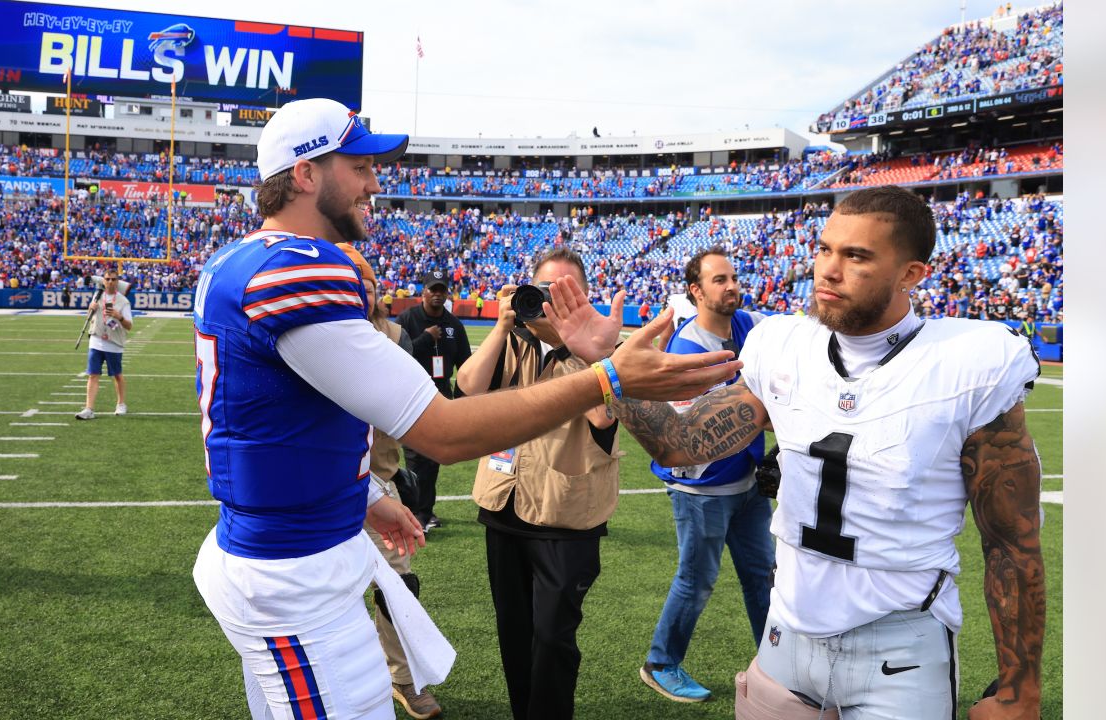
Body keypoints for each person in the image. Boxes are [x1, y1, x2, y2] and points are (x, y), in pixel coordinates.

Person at [190, 96, 739, 720]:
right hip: (292, 574)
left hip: (289, 547)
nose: (375, 181)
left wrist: (366, 497)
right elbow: (444, 432)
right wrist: (607, 376)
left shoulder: (237, 261)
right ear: (305, 174)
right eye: (358, 165)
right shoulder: (297, 272)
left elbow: (279, 416)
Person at [546, 185, 1045, 720]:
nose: (828, 270)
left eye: (856, 256)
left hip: (901, 645)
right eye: (825, 248)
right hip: (786, 639)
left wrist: (1020, 689)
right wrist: (608, 366)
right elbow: (680, 443)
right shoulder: (784, 345)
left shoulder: (969, 360)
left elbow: (1012, 542)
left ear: (911, 275)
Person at [455, 248, 618, 720]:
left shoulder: (605, 351)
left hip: (566, 515)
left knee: (552, 637)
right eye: (545, 290)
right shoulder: (514, 342)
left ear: (585, 297)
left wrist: (578, 348)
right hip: (503, 507)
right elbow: (468, 387)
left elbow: (602, 414)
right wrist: (504, 325)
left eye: (566, 292)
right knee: (514, 631)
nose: (552, 302)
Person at [639, 248, 774, 704]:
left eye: (733, 277)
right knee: (696, 581)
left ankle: (777, 666)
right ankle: (660, 663)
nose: (732, 285)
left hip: (746, 482)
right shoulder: (687, 349)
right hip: (703, 489)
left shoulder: (747, 325)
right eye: (719, 279)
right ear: (695, 291)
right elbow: (704, 429)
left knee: (765, 577)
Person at [338, 243, 443, 720]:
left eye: (368, 280)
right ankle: (340, 677)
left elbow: (414, 406)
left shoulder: (393, 334)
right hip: (324, 488)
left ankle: (402, 678)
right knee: (328, 592)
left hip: (380, 480)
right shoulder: (313, 332)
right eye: (351, 278)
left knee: (399, 586)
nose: (363, 287)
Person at [395, 269, 473, 531]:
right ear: (423, 292)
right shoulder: (407, 319)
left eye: (442, 290)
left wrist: (461, 399)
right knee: (416, 458)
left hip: (440, 399)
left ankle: (425, 511)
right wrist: (426, 338)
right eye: (433, 289)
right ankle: (416, 511)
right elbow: (397, 356)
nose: (437, 294)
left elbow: (467, 365)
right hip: (411, 397)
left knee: (432, 459)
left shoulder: (454, 325)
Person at [76, 269, 132, 420]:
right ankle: (89, 408)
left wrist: (119, 317)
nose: (110, 282)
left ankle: (121, 404)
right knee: (93, 375)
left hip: (114, 342)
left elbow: (129, 326)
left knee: (117, 375)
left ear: (118, 281)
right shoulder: (97, 295)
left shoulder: (123, 301)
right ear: (103, 280)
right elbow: (90, 315)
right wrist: (91, 308)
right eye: (107, 279)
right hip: (96, 339)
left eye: (114, 279)